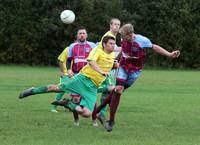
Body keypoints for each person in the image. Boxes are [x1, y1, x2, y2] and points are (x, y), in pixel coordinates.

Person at [96, 23, 181, 132]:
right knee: (118, 89)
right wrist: (116, 60)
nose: (121, 38)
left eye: (124, 36)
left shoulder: (142, 40)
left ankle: (99, 109)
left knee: (116, 92)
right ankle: (111, 121)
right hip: (123, 67)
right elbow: (124, 51)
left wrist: (169, 54)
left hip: (135, 71)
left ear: (130, 34)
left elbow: (154, 47)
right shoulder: (123, 38)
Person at [19, 36, 117, 119]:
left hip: (93, 87)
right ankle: (33, 90)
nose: (113, 45)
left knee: (87, 114)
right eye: (111, 44)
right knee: (56, 89)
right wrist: (101, 72)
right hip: (82, 79)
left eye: (114, 44)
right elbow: (91, 62)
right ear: (104, 44)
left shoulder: (112, 54)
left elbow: (111, 64)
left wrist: (118, 65)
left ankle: (68, 103)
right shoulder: (97, 50)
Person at [52, 26, 96, 126]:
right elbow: (68, 60)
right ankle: (76, 121)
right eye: (80, 33)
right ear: (77, 35)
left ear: (86, 35)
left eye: (83, 33)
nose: (82, 35)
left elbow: (96, 60)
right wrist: (69, 69)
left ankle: (94, 121)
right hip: (76, 76)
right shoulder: (72, 46)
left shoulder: (92, 46)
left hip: (89, 77)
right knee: (75, 100)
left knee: (91, 100)